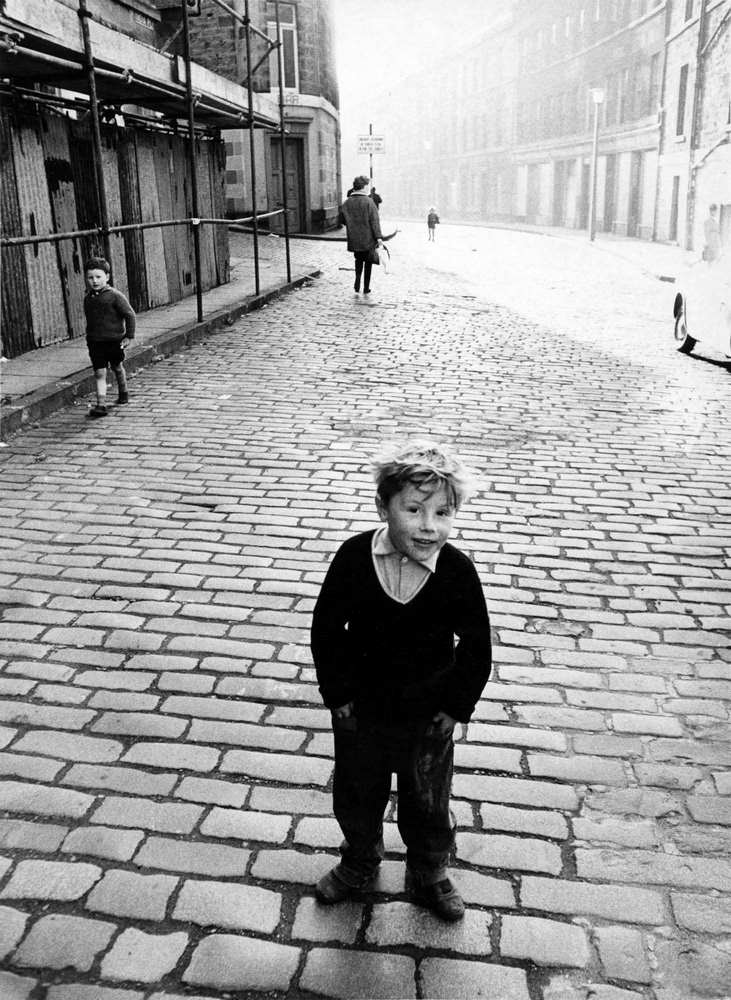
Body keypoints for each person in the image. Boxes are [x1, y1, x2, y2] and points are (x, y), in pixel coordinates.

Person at [310, 440, 492, 922]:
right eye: (413, 509)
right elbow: (327, 629)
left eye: (442, 513)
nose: (429, 526)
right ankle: (360, 858)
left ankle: (429, 867)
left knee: (427, 798)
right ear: (383, 507)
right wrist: (339, 694)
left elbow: (476, 647)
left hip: (427, 716)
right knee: (357, 791)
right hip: (363, 711)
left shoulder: (456, 571)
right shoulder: (353, 558)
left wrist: (455, 708)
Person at [84, 257, 136, 418]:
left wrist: (129, 336)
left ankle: (123, 393)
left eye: (98, 277)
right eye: (90, 277)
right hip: (95, 342)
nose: (94, 281)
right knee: (100, 373)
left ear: (107, 276)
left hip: (114, 341)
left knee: (117, 367)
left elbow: (130, 314)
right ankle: (101, 405)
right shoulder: (88, 298)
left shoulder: (114, 296)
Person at [339, 175, 383, 298]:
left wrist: (352, 225)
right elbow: (374, 221)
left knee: (358, 259)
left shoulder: (347, 202)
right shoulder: (369, 202)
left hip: (354, 238)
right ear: (363, 187)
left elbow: (341, 220)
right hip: (368, 238)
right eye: (367, 185)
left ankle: (357, 282)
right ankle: (366, 287)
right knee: (368, 262)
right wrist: (378, 237)